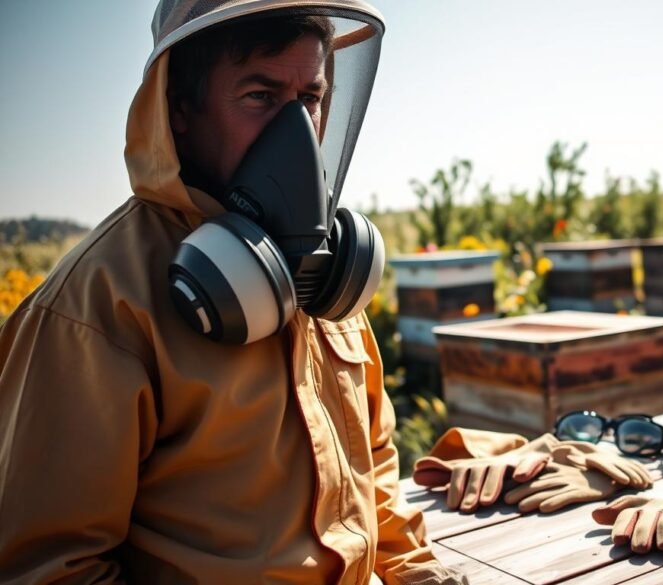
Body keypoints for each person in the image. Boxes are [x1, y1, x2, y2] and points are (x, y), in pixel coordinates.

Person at [0, 1, 464, 583]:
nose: (297, 132)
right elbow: (47, 569)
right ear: (181, 109)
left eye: (310, 99)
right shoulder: (94, 308)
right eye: (260, 97)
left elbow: (377, 486)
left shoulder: (326, 277)